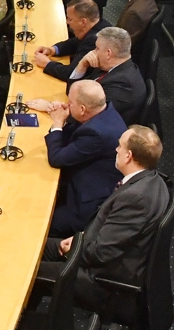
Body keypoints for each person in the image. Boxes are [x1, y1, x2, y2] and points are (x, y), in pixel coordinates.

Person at [44, 125, 170, 315]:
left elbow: (102, 254)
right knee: (34, 247)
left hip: (101, 280)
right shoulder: (154, 180)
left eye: (120, 146)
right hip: (98, 250)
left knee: (26, 270)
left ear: (128, 156)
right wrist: (81, 239)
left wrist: (76, 246)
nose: (116, 150)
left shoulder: (135, 198)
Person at [46, 80, 128, 238]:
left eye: (70, 103)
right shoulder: (104, 111)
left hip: (86, 204)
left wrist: (57, 122)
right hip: (87, 179)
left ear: (83, 109)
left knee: (42, 224)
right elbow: (75, 136)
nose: (66, 105)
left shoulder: (96, 133)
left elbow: (57, 158)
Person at [42, 26, 145, 121]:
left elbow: (88, 117)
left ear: (108, 53)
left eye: (97, 48)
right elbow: (74, 92)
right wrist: (81, 66)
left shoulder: (124, 86)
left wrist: (51, 108)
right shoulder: (107, 66)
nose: (93, 52)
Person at [34, 0, 108, 81]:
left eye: (70, 19)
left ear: (83, 22)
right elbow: (75, 42)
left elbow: (71, 73)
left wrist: (47, 64)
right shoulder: (98, 24)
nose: (67, 22)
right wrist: (52, 50)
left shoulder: (95, 40)